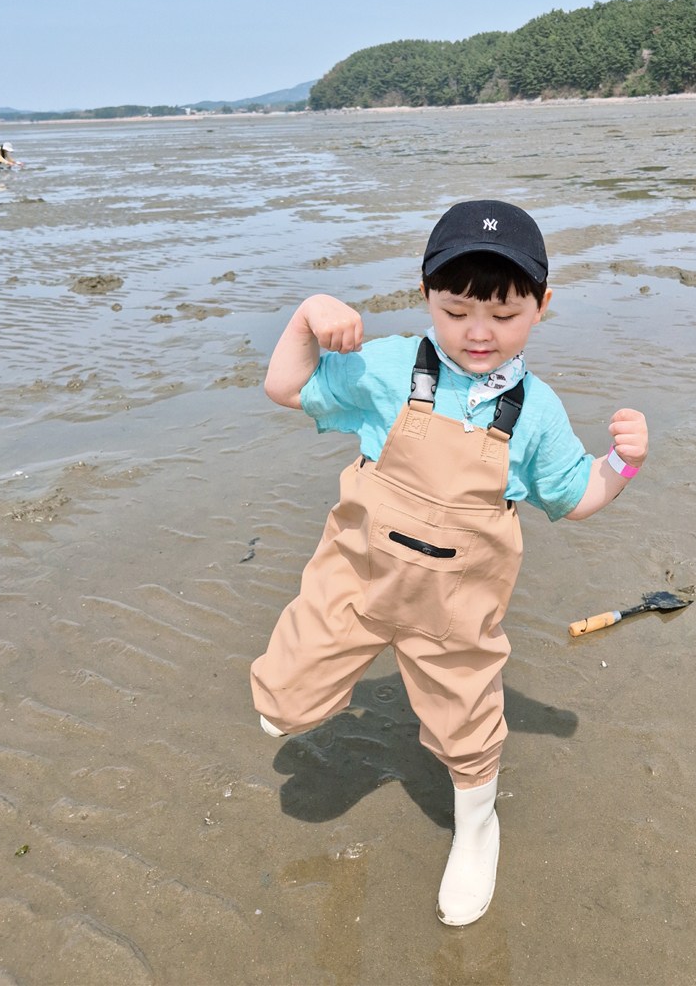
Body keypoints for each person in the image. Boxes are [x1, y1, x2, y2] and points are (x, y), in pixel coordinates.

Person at [250, 199, 649, 926]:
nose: (478, 332)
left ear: (541, 307)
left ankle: (477, 828)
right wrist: (305, 319)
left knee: (467, 728)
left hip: (455, 609)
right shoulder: (388, 366)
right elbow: (284, 387)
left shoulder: (536, 412)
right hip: (356, 579)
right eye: (457, 308)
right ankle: (313, 685)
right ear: (426, 293)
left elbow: (576, 494)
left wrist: (621, 463)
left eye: (503, 314)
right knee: (280, 703)